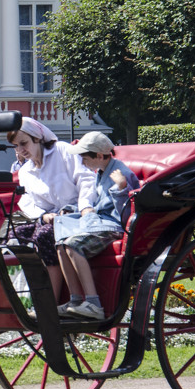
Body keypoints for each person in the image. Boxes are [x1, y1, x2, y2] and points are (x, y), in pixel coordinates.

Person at [53, 131, 140, 320]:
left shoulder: (121, 173)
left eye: (84, 158)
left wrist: (121, 188)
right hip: (101, 222)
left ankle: (94, 304)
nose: (82, 162)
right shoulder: (102, 171)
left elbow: (126, 214)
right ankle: (76, 300)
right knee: (60, 245)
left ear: (99, 156)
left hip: (113, 226)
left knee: (72, 245)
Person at [8, 117, 95, 298]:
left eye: (23, 143)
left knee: (44, 235)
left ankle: (51, 301)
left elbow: (86, 179)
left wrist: (85, 206)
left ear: (38, 138)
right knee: (15, 235)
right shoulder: (25, 171)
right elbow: (26, 201)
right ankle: (25, 295)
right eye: (15, 146)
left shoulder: (63, 151)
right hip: (49, 218)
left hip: (75, 214)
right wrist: (43, 216)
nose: (20, 150)